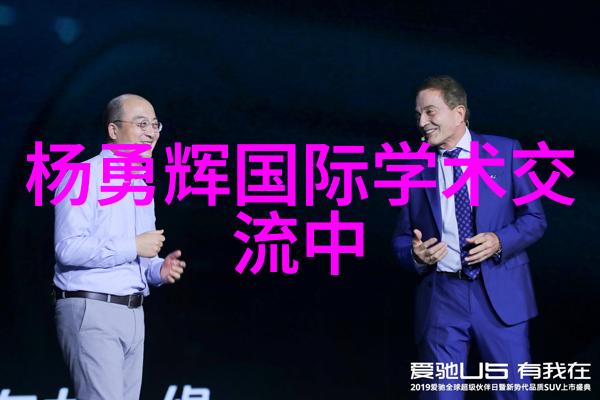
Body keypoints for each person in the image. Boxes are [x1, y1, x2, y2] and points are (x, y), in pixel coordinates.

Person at [393, 76, 546, 399]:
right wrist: (416, 254)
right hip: (442, 297)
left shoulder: (506, 151)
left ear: (459, 113)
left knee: (514, 393)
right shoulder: (414, 169)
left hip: (500, 294)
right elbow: (401, 239)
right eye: (418, 114)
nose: (422, 123)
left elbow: (535, 219)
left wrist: (500, 241)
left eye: (430, 112)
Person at [53, 94, 187, 400]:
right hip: (92, 308)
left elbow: (141, 256)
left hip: (133, 312)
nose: (150, 133)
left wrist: (158, 270)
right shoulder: (82, 175)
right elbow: (68, 249)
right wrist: (133, 245)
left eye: (154, 125)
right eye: (141, 124)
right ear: (114, 130)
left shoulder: (140, 185)